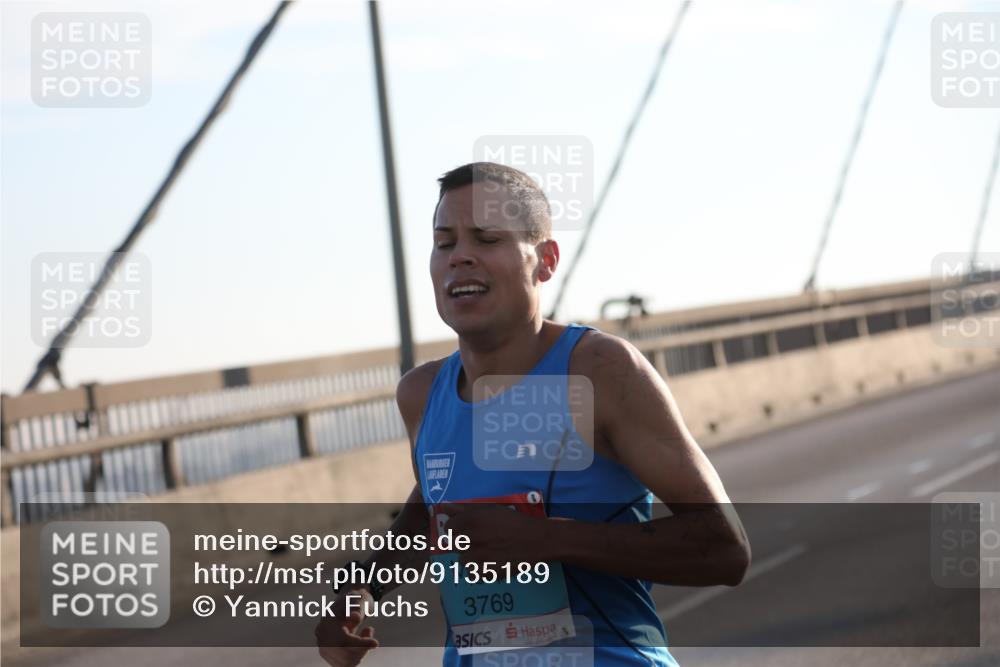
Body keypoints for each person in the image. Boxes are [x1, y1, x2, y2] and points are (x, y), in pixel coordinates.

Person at [316, 162, 750, 667]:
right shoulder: (421, 392)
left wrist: (543, 539)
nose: (460, 258)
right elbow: (433, 506)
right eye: (445, 242)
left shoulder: (599, 370)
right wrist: (362, 587)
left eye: (486, 238)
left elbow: (723, 549)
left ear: (544, 260)